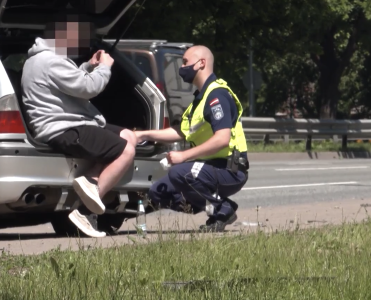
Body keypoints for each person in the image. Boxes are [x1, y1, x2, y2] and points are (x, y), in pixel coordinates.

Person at [21, 14, 137, 238]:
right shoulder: (49, 60)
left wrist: (87, 65)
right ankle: (83, 212)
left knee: (127, 135)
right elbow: (88, 88)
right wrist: (104, 67)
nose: (82, 42)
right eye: (78, 37)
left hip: (71, 124)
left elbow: (70, 81)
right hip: (61, 129)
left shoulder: (46, 59)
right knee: (126, 149)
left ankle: (91, 180)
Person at [135, 45, 249, 232]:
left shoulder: (216, 95)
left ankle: (222, 208)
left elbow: (222, 139)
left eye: (186, 62)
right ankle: (211, 206)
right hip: (210, 167)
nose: (182, 68)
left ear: (201, 63)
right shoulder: (200, 99)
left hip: (230, 168)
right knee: (158, 192)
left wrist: (184, 156)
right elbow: (181, 131)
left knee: (179, 172)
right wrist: (141, 135)